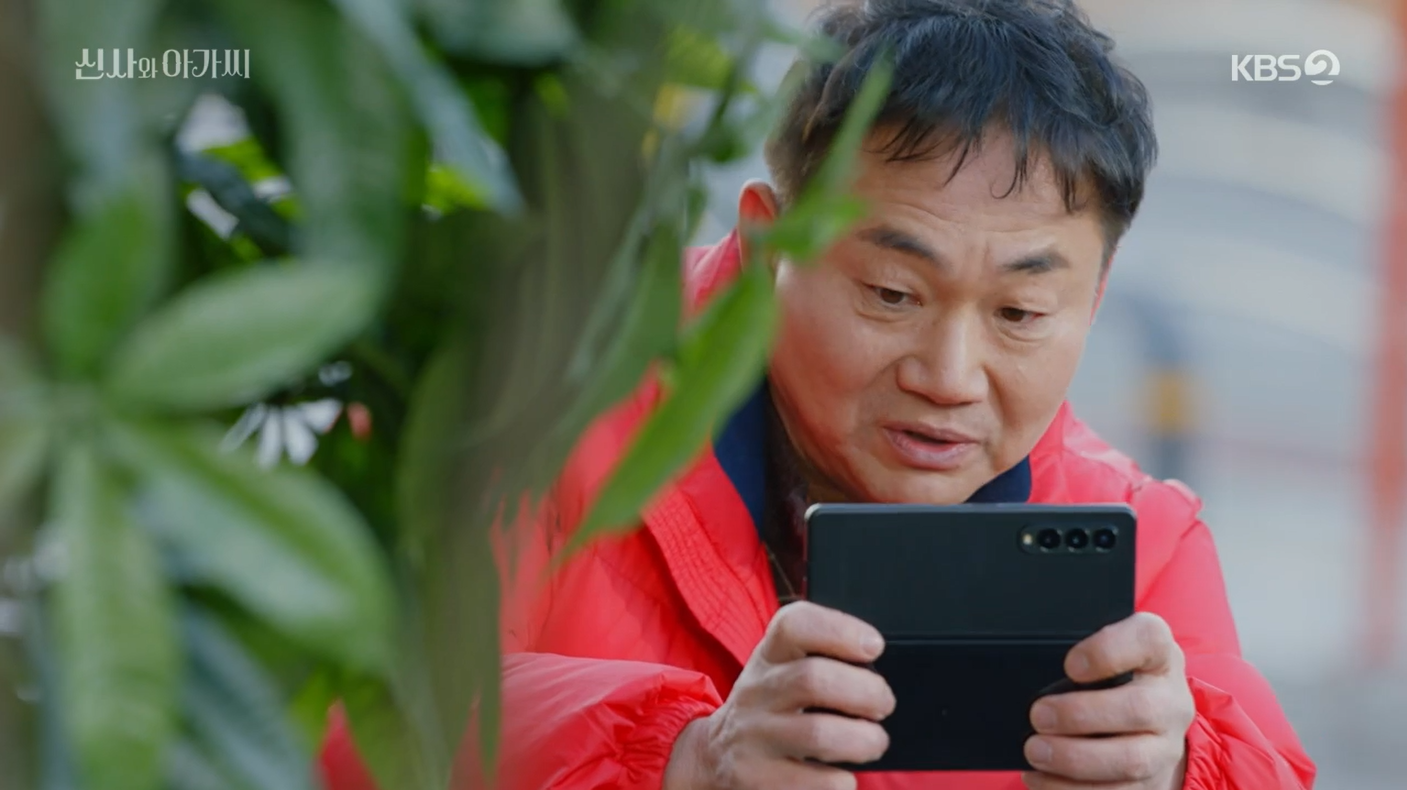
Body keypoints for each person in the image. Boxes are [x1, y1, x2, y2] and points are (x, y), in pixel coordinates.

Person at [320, 0, 1317, 788]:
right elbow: (329, 710)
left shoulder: (1142, 540)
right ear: (767, 243)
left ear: (1092, 299)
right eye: (891, 293)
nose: (948, 376)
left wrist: (1178, 769)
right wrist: (682, 759)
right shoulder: (517, 401)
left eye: (1020, 312)